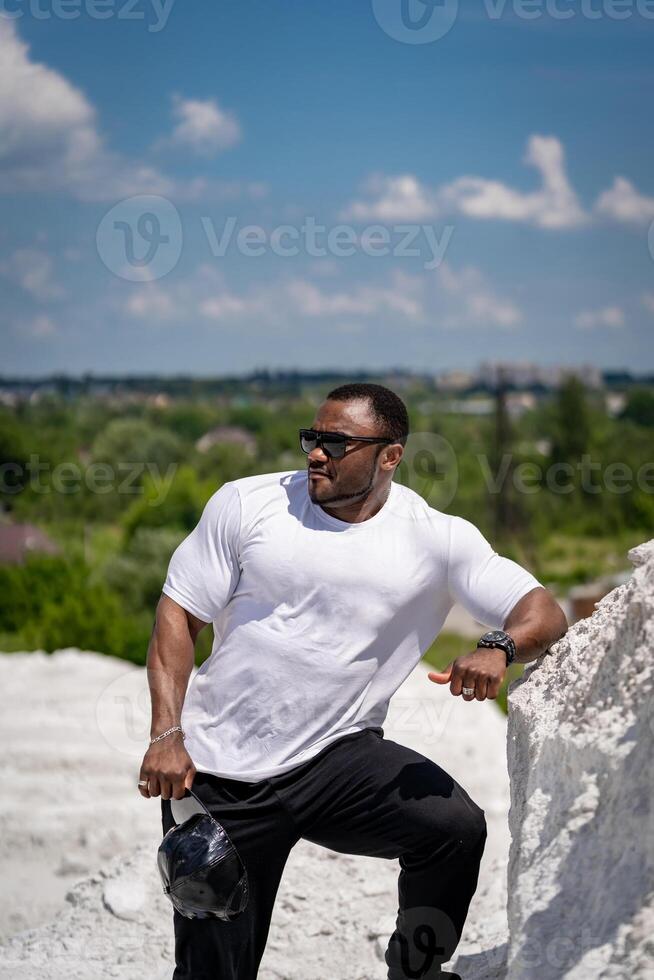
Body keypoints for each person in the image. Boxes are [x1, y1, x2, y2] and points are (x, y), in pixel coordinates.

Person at [138, 382, 568, 980]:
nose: (316, 453)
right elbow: (178, 613)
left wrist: (498, 646)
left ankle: (414, 971)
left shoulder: (437, 539)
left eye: (336, 443)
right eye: (312, 438)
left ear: (390, 455)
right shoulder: (247, 504)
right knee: (213, 968)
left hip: (335, 758)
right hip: (219, 771)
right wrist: (166, 734)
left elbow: (544, 614)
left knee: (453, 830)